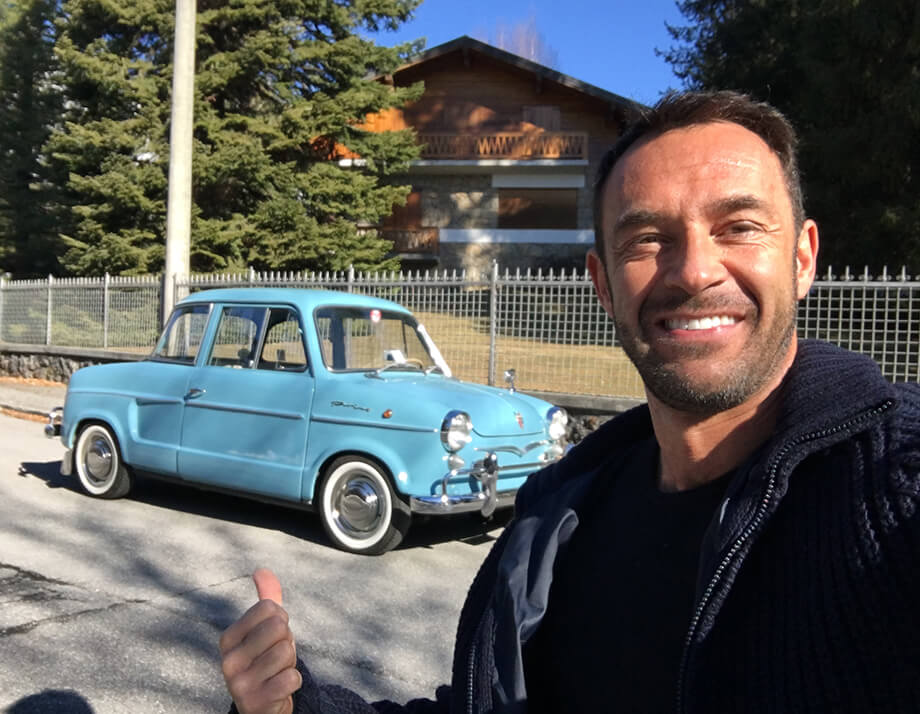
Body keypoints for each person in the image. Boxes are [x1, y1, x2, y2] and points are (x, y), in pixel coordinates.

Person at [219, 91, 920, 714]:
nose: (696, 270)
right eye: (647, 238)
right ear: (604, 284)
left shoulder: (893, 486)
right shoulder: (564, 515)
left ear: (802, 259)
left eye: (739, 226)